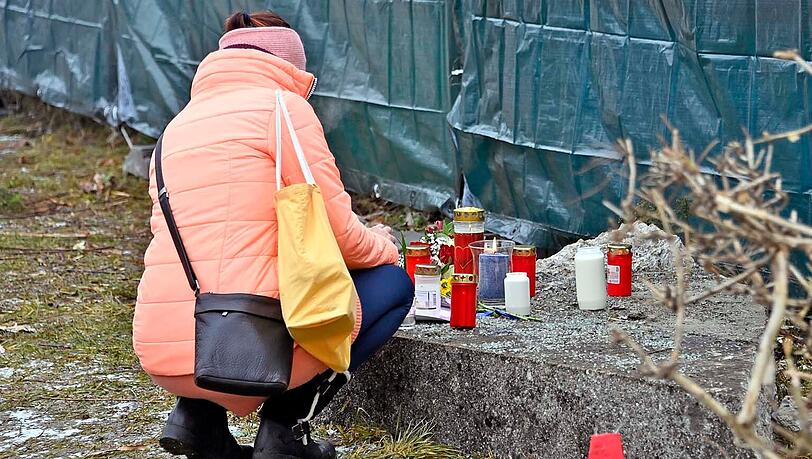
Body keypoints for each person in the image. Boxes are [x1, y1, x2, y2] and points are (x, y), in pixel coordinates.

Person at [132, 10, 414, 459]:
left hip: (166, 347)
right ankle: (285, 431)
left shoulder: (175, 128)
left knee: (212, 267)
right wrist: (385, 244)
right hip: (255, 349)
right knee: (392, 285)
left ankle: (196, 419)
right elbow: (340, 235)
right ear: (289, 66)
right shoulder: (284, 110)